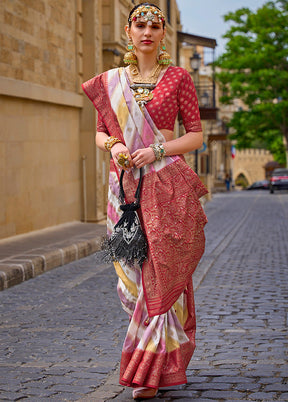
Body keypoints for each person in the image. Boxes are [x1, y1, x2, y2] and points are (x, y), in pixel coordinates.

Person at [82, 3, 208, 400]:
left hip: (166, 185)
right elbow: (100, 134)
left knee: (164, 271)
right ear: (128, 30)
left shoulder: (178, 79)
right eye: (141, 25)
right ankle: (155, 356)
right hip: (124, 190)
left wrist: (157, 149)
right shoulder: (110, 81)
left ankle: (152, 371)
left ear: (164, 32)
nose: (148, 31)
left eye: (156, 25)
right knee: (130, 278)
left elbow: (196, 136)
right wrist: (116, 144)